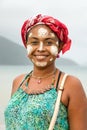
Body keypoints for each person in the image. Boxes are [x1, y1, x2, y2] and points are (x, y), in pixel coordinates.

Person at [4, 14, 87, 130]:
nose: (41, 48)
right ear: (26, 45)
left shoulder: (70, 85)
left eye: (49, 42)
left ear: (60, 46)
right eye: (34, 42)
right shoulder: (18, 82)